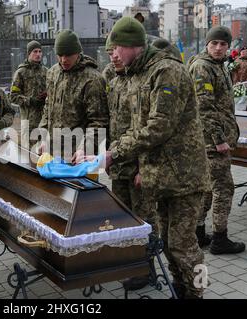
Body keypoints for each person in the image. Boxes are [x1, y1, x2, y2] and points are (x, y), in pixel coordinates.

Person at [103, 17, 209, 299]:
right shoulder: (140, 73)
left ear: (133, 46)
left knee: (185, 245)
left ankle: (198, 290)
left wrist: (116, 152)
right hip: (161, 176)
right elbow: (135, 126)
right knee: (166, 241)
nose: (112, 54)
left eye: (116, 48)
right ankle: (181, 287)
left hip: (184, 176)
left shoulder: (167, 71)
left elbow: (159, 126)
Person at [104, 34, 157, 290]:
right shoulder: (114, 83)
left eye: (117, 51)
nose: (114, 57)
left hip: (137, 165)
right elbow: (112, 126)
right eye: (110, 53)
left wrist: (143, 168)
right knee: (124, 219)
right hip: (119, 165)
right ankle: (131, 265)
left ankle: (148, 269)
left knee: (144, 219)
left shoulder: (140, 83)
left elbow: (148, 129)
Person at [188, 26, 245, 254]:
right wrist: (219, 139)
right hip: (211, 141)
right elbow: (204, 108)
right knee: (224, 187)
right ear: (207, 44)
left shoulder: (218, 66)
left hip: (213, 139)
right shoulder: (202, 66)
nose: (219, 48)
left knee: (208, 189)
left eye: (223, 44)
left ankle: (199, 233)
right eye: (215, 44)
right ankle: (220, 240)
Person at [38, 29, 109, 162]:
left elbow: (98, 121)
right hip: (53, 152)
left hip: (78, 156)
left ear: (78, 52)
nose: (64, 60)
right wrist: (44, 137)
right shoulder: (52, 73)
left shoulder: (92, 79)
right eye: (60, 55)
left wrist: (84, 148)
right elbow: (48, 108)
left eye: (69, 55)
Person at [10, 40, 48, 147]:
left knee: (44, 154)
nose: (38, 54)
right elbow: (13, 96)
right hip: (29, 122)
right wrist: (30, 100)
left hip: (44, 121)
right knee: (29, 155)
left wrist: (47, 95)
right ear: (28, 54)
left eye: (40, 51)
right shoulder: (21, 72)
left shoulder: (46, 71)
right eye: (35, 51)